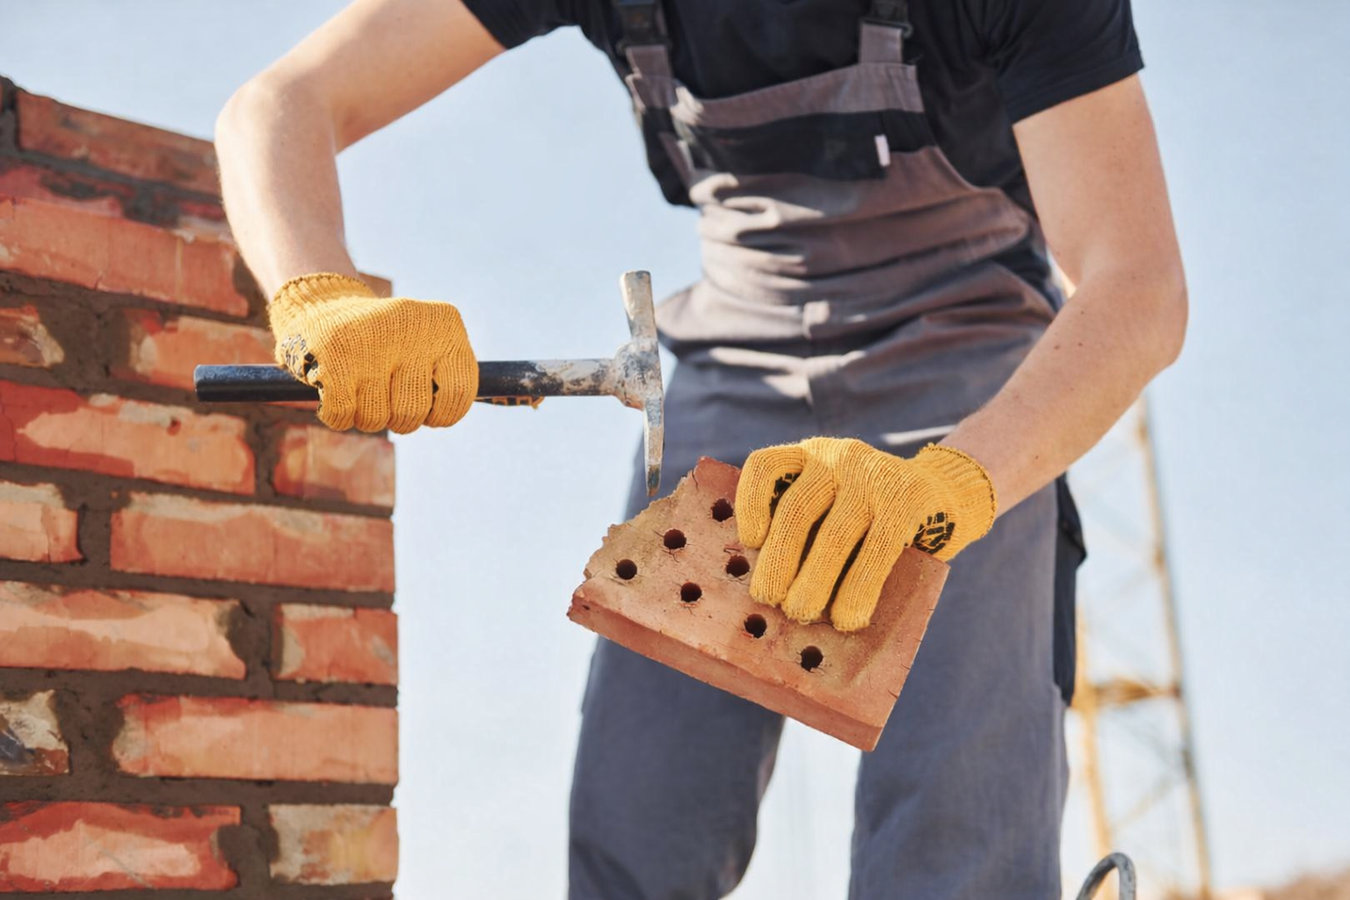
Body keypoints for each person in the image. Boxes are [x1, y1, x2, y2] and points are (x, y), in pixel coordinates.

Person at [214, 0, 1187, 895]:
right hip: (735, 370)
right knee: (640, 835)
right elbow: (281, 104)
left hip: (969, 375)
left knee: (956, 843)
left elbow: (1137, 285)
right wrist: (319, 294)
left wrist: (949, 485)